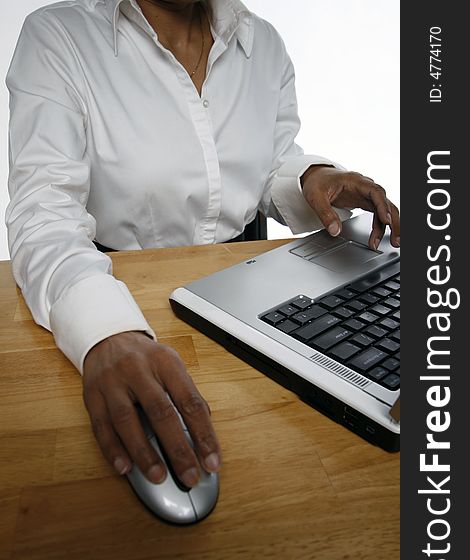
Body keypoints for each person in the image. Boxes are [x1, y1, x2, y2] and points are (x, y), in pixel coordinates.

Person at [5, 0, 400, 490]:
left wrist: (312, 177)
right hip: (123, 294)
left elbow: (269, 163)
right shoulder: (59, 35)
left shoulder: (264, 43)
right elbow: (44, 211)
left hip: (247, 296)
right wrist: (103, 331)